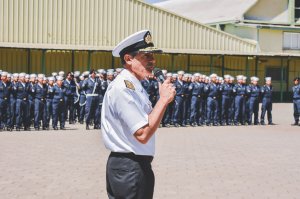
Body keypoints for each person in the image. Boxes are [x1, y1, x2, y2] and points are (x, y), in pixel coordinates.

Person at [101, 30, 175, 199]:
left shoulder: (135, 86)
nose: (152, 61)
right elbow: (142, 134)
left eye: (153, 57)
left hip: (134, 165)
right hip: (129, 168)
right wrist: (163, 100)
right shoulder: (123, 88)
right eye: (146, 57)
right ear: (128, 59)